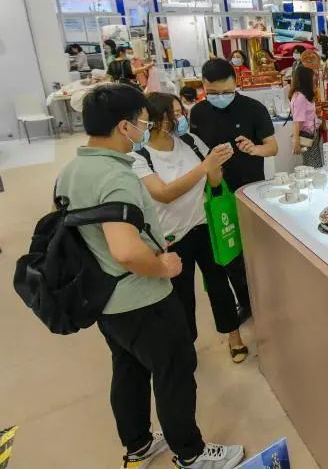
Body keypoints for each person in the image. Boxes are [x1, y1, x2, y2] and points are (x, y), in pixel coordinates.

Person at [56, 83, 243, 469]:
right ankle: (191, 454)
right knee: (174, 368)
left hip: (102, 296)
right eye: (142, 122)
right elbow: (125, 249)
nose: (146, 128)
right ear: (123, 126)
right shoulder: (117, 176)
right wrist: (162, 267)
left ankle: (138, 443)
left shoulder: (71, 172)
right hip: (139, 295)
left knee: (129, 368)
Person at [130, 92, 248, 364]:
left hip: (204, 226)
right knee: (181, 296)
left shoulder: (191, 142)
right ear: (156, 120)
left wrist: (216, 164)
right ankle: (186, 347)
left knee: (220, 284)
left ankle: (234, 336)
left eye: (181, 111)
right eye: (174, 114)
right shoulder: (140, 158)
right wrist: (205, 166)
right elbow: (164, 193)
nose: (181, 118)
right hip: (172, 236)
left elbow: (214, 183)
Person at [190, 59, 275, 322]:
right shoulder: (198, 112)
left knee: (256, 249)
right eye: (212, 92)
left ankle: (267, 300)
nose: (219, 97)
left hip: (251, 191)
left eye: (226, 91)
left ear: (235, 82)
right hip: (216, 193)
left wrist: (254, 149)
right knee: (229, 252)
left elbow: (272, 147)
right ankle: (246, 301)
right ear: (203, 85)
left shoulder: (253, 109)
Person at [289, 65, 322, 167]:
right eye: (312, 77)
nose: (314, 79)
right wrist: (296, 141)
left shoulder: (303, 95)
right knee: (312, 164)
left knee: (313, 162)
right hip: (307, 135)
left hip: (311, 133)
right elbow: (297, 121)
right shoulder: (300, 98)